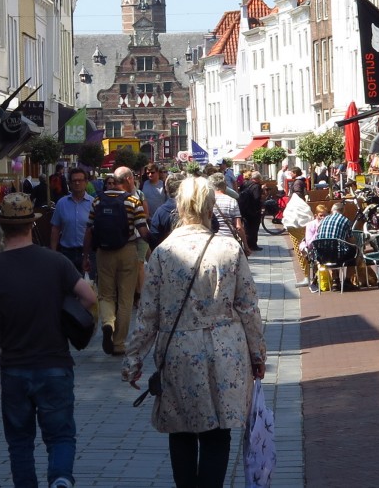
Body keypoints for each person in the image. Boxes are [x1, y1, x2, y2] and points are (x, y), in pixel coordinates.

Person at [122, 177, 266, 488]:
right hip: (226, 351)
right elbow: (248, 307)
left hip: (179, 352)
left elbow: (148, 314)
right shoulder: (229, 249)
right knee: (218, 432)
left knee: (182, 430)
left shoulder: (162, 252)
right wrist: (258, 354)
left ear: (180, 206)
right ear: (209, 207)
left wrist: (133, 360)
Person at [0, 193, 97, 488]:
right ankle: (59, 478)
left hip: (15, 367)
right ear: (32, 225)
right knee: (60, 435)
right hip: (55, 363)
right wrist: (66, 314)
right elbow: (89, 297)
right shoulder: (55, 262)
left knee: (19, 443)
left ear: (3, 227)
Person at [86, 167, 149, 355]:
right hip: (127, 251)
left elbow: (89, 229)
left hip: (104, 253)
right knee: (126, 298)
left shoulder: (97, 201)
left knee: (106, 295)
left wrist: (85, 255)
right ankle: (119, 343)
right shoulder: (133, 201)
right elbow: (142, 230)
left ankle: (107, 323)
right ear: (127, 180)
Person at [49, 168, 94, 275]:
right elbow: (55, 229)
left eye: (80, 180)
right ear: (70, 183)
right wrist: (53, 253)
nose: (77, 183)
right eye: (74, 181)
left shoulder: (94, 203)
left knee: (88, 286)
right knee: (67, 287)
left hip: (88, 253)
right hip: (67, 253)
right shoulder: (62, 203)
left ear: (86, 182)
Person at [148, 172, 185, 251]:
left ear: (166, 189)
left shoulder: (160, 212)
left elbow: (154, 238)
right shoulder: (197, 208)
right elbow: (214, 226)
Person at [209, 172, 245, 249]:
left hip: (212, 241)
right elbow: (238, 227)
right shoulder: (232, 201)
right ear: (225, 185)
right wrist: (246, 245)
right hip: (229, 241)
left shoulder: (207, 201)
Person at [236, 170, 264, 254]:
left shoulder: (245, 183)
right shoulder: (256, 186)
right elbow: (256, 198)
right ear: (258, 178)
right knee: (254, 228)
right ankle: (253, 245)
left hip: (244, 209)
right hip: (253, 211)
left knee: (247, 227)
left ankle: (246, 244)